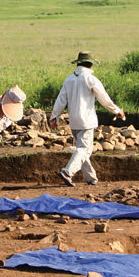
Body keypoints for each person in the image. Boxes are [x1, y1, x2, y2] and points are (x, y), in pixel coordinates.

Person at [49, 51, 125, 187]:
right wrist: (117, 110)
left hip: (74, 120)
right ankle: (67, 172)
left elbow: (61, 100)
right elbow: (104, 98)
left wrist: (55, 116)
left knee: (82, 150)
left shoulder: (69, 79)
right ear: (90, 65)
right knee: (84, 150)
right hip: (87, 120)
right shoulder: (90, 79)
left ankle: (91, 178)